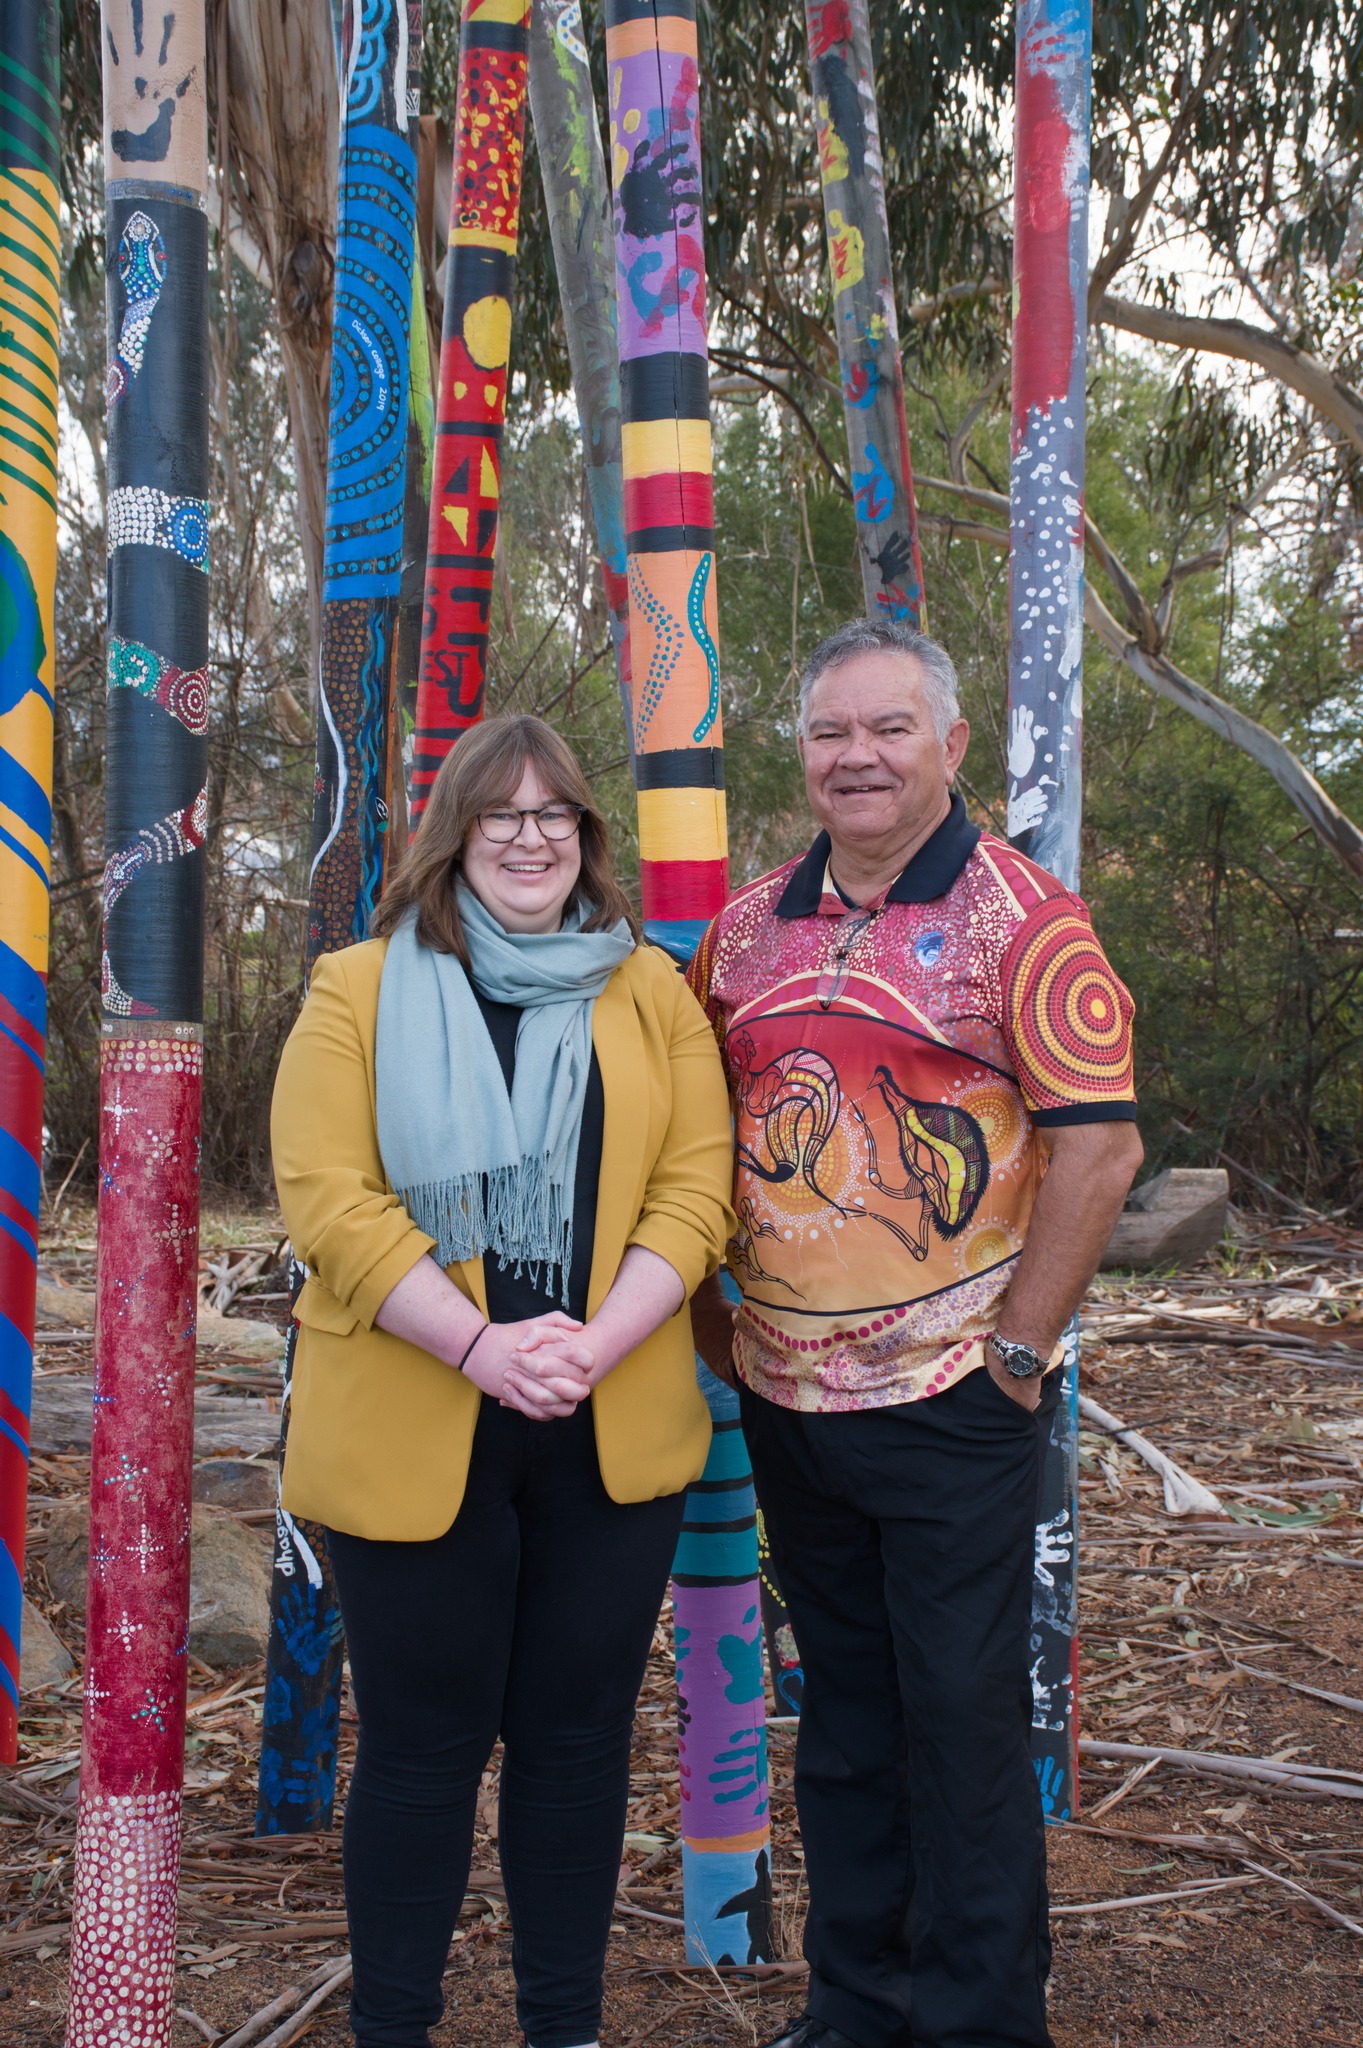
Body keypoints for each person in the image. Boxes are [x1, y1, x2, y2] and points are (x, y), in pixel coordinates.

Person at [686, 619, 1144, 2048]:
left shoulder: (1027, 919)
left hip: (956, 1397)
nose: (857, 756)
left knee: (959, 1731)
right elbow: (703, 1139)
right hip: (788, 1397)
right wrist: (717, 1326)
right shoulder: (747, 929)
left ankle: (979, 2022)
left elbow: (1102, 1153)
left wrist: (1015, 1359)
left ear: (950, 745)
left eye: (889, 729)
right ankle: (858, 2006)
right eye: (831, 732)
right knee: (848, 1720)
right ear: (803, 754)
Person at [270, 714, 735, 2048]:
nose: (530, 837)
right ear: (454, 836)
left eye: (556, 816)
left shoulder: (650, 987)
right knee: (419, 1753)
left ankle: (562, 2028)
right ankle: (397, 2028)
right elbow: (328, 1201)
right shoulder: (358, 987)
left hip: (609, 1419)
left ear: (586, 840)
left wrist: (595, 1340)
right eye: (501, 814)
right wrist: (478, 1345)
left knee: (580, 1745)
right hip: (418, 1415)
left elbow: (698, 1189)